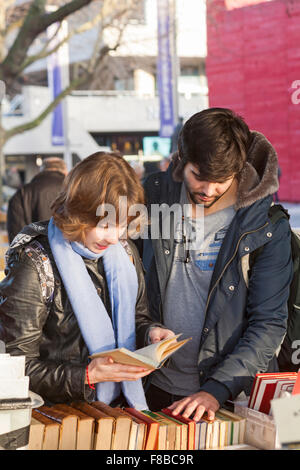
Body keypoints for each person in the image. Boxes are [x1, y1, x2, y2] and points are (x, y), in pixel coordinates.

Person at [140, 108, 293, 421]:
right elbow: (128, 289)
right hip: (154, 390)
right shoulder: (150, 197)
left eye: (220, 181)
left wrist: (217, 388)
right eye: (199, 176)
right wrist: (146, 329)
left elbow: (269, 322)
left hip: (232, 399)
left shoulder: (267, 225)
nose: (207, 191)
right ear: (180, 160)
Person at [0, 152, 173, 408]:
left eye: (122, 226)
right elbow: (14, 367)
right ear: (78, 212)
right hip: (60, 420)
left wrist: (150, 333)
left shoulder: (124, 252)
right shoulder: (34, 264)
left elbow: (136, 318)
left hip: (119, 410)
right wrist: (88, 375)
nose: (114, 238)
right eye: (105, 226)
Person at [6, 157, 68, 243]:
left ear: (41, 171)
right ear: (65, 172)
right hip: (70, 254)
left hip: (32, 254)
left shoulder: (21, 194)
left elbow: (16, 237)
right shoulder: (73, 191)